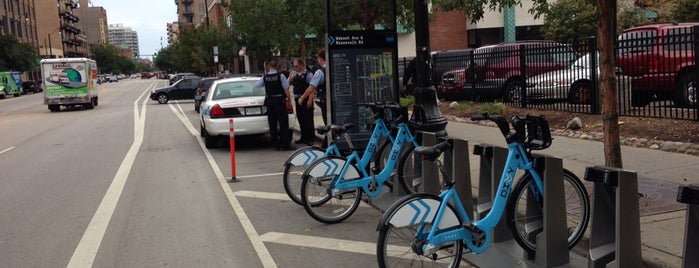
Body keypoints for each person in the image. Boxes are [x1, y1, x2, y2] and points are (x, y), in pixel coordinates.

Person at [256, 60, 295, 151]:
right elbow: (286, 89)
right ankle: (285, 144)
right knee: (283, 123)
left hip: (270, 102)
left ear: (269, 67)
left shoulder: (265, 77)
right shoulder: (280, 76)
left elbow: (257, 85)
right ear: (277, 67)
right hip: (279, 102)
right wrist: (289, 100)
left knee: (272, 124)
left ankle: (276, 144)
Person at [288, 59, 315, 145]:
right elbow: (287, 84)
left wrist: (310, 100)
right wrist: (290, 78)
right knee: (301, 119)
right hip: (297, 100)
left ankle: (311, 138)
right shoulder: (295, 75)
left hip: (306, 99)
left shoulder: (308, 74)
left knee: (308, 120)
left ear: (301, 65)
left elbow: (312, 88)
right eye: (294, 66)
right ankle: (303, 137)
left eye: (296, 66)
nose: (295, 68)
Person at [299, 49, 328, 125]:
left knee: (328, 124)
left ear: (320, 59)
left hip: (326, 102)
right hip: (338, 102)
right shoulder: (335, 68)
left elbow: (311, 87)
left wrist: (302, 98)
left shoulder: (320, 72)